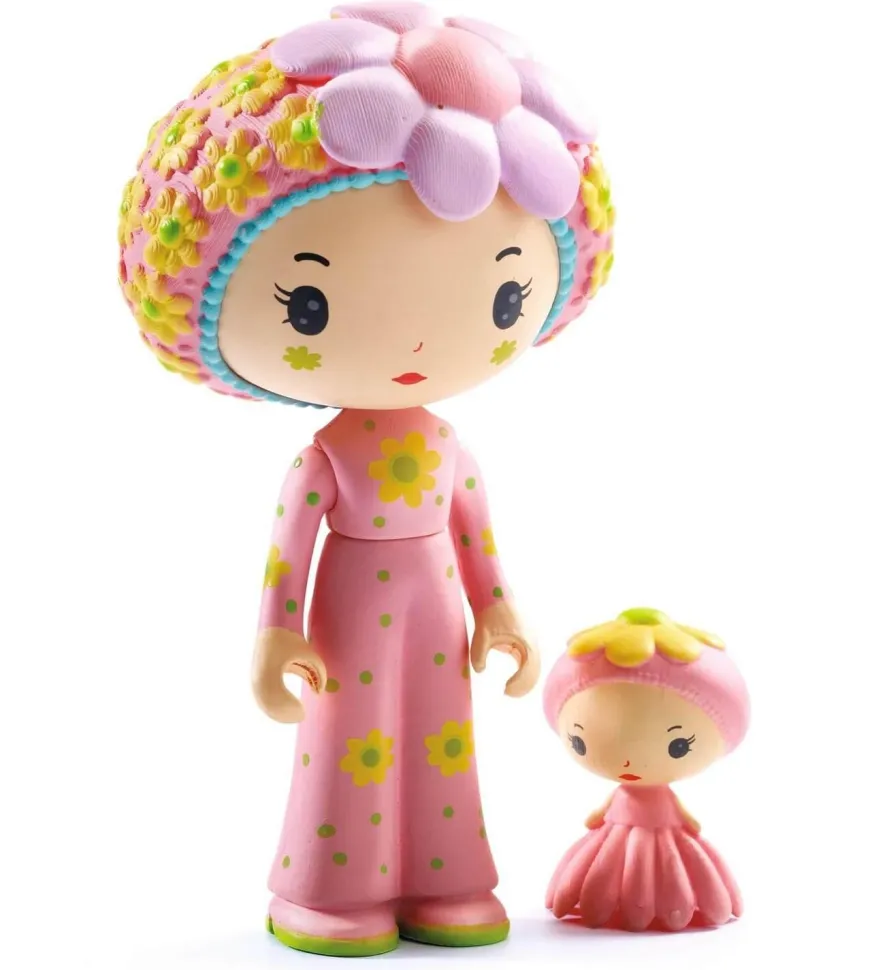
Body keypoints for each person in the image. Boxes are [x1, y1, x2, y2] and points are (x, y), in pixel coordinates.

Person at [116, 1, 615, 956]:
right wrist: (274, 640)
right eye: (307, 303)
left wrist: (500, 613)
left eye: (507, 295)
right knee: (346, 743)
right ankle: (331, 888)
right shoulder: (322, 463)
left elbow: (478, 540)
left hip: (436, 615)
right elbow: (286, 559)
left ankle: (446, 876)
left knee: (441, 739)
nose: (418, 344)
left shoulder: (450, 451)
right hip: (346, 614)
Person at [544, 608, 750, 931]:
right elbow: (603, 815)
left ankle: (664, 904)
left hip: (665, 835)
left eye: (678, 745)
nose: (629, 764)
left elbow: (687, 821)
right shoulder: (619, 802)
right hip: (614, 835)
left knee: (663, 871)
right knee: (605, 868)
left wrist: (686, 823)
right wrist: (601, 816)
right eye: (579, 741)